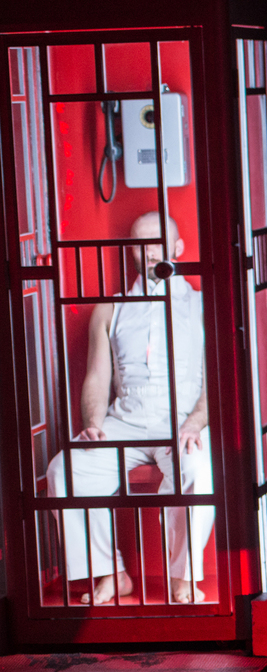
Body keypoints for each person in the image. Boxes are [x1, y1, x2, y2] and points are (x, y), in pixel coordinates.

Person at [45, 212, 214, 605]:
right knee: (64, 472)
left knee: (198, 471)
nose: (149, 251)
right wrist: (92, 422)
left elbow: (216, 378)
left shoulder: (203, 304)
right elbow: (96, 377)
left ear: (177, 247)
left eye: (157, 242)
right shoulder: (110, 309)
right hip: (124, 419)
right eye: (140, 244)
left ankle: (183, 576)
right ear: (130, 253)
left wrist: (196, 421)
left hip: (182, 420)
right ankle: (110, 573)